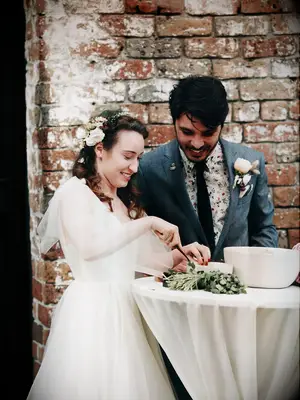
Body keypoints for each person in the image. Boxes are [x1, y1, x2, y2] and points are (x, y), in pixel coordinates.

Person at [27, 110, 210, 400]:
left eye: (138, 158)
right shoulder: (74, 193)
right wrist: (148, 222)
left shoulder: (121, 201)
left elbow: (143, 261)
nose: (134, 167)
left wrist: (181, 255)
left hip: (129, 314)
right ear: (100, 149)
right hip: (94, 315)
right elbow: (90, 248)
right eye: (128, 156)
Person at [137, 75, 278, 399]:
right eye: (187, 132)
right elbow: (142, 237)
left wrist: (253, 280)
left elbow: (264, 229)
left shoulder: (250, 163)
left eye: (208, 133)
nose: (198, 143)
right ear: (173, 122)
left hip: (239, 306)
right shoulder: (150, 167)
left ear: (221, 126)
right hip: (180, 310)